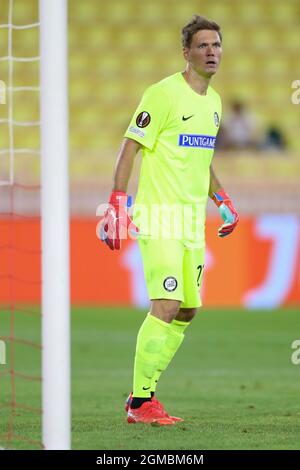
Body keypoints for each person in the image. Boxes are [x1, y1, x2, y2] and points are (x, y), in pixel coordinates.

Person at [99, 15, 239, 426]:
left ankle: (143, 394)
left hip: (192, 221)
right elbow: (130, 148)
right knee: (167, 302)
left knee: (188, 310)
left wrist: (222, 198)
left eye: (217, 45)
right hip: (160, 216)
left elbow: (202, 159)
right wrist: (116, 202)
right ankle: (142, 402)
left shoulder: (213, 104)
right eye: (203, 46)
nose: (212, 52)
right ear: (187, 52)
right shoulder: (162, 94)